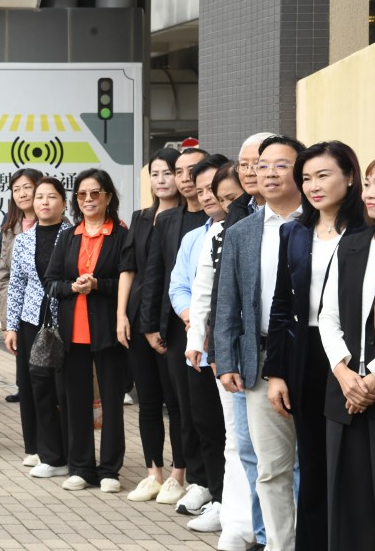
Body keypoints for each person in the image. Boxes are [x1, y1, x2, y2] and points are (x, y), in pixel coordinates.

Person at [265, 141, 367, 551]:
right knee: (312, 462)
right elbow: (281, 302)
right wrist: (276, 371)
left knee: (353, 462)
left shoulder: (369, 228)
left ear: (349, 177)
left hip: (354, 349)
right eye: (306, 177)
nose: (313, 185)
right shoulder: (295, 230)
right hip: (304, 350)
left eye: (323, 175)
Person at [214, 134, 307, 551]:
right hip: (259, 358)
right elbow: (227, 301)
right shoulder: (243, 231)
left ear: (300, 172)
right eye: (261, 165)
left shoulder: (322, 223)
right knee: (270, 467)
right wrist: (226, 358)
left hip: (314, 356)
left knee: (312, 462)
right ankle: (279, 544)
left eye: (280, 165)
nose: (267, 173)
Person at [319, 152, 375, 550]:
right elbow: (328, 317)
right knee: (347, 503)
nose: (369, 193)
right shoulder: (352, 244)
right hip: (346, 391)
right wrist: (343, 372)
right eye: (367, 184)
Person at [185, 161, 257, 548]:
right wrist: (199, 339)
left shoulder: (251, 222)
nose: (223, 202)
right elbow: (206, 291)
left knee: (258, 446)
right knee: (236, 440)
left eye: (231, 197)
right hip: (225, 347)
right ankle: (235, 520)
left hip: (258, 350)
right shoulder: (221, 231)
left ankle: (251, 526)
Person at [44, 169, 129, 491]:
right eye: (82, 194)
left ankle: (109, 469)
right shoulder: (67, 236)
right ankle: (80, 467)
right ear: (76, 200)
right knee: (75, 401)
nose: (89, 199)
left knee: (111, 401)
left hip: (108, 330)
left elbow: (126, 281)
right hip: (72, 332)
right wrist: (73, 288)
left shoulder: (121, 235)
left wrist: (98, 285)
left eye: (96, 193)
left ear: (108, 197)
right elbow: (51, 282)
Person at [140, 147, 213, 515]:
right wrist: (151, 325)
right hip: (177, 327)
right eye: (179, 171)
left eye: (192, 171)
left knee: (209, 409)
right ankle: (196, 479)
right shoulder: (168, 221)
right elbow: (156, 274)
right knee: (184, 407)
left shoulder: (226, 220)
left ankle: (204, 479)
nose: (185, 178)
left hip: (214, 328)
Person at [117, 147, 188, 505]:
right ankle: (152, 473)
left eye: (169, 173)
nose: (162, 180)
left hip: (170, 320)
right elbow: (128, 268)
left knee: (174, 401)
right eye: (156, 174)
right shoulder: (141, 217)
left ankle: (179, 474)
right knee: (147, 400)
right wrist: (121, 315)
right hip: (137, 314)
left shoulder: (188, 216)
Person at [167, 154, 231, 533]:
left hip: (228, 349)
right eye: (202, 189)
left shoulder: (239, 229)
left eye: (214, 189)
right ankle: (208, 487)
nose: (207, 196)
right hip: (197, 345)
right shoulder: (194, 237)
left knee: (231, 430)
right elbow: (179, 285)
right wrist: (191, 313)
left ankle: (226, 499)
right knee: (204, 422)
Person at [5, 176, 71, 477]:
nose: (44, 202)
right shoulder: (24, 239)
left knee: (66, 389)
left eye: (51, 197)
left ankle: (73, 453)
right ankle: (49, 455)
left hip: (69, 321)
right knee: (40, 388)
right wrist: (11, 325)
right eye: (40, 197)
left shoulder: (74, 235)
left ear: (64, 202)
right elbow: (17, 283)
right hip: (33, 321)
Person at [0, 168, 41, 410]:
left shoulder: (61, 225)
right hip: (20, 316)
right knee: (27, 379)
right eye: (16, 189)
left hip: (46, 316)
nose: (22, 193)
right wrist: (7, 323)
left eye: (27, 187)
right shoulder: (10, 229)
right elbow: (5, 277)